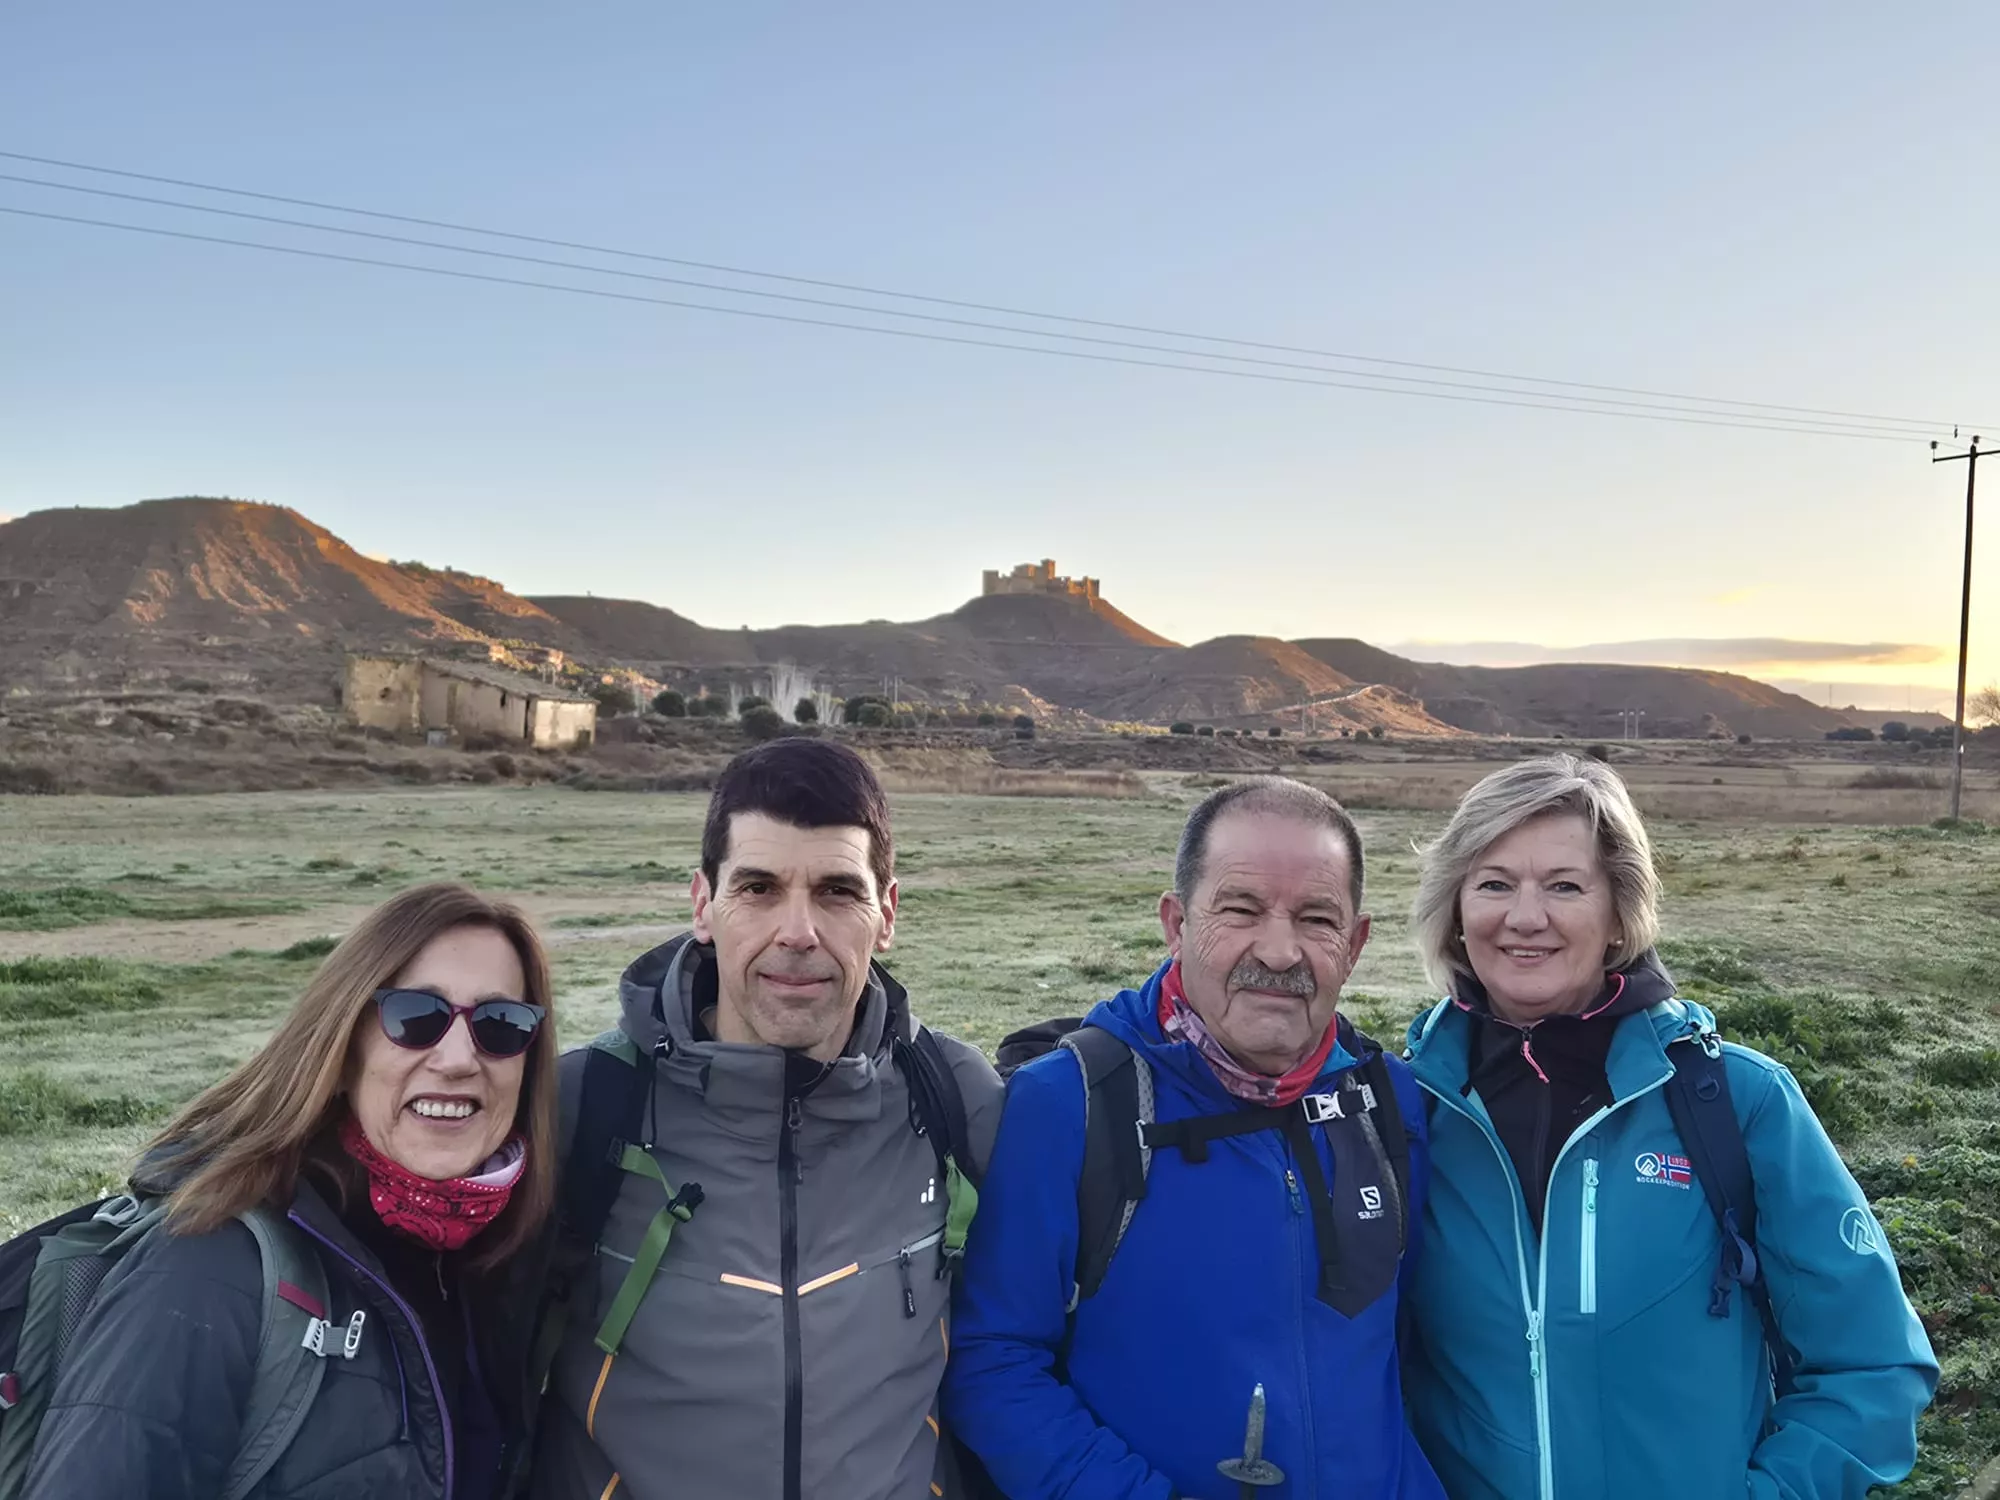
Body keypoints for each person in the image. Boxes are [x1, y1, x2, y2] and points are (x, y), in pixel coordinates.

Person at [1399, 754, 1937, 1499]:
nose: (1524, 917)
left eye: (1564, 886)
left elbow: (1872, 1363)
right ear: (1456, 912)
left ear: (1620, 914)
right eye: (1493, 884)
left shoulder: (1736, 1100)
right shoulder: (1405, 1111)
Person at [943, 777, 1444, 1500]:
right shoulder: (1071, 1102)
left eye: (1317, 919)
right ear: (1176, 923)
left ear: (1355, 943)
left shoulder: (1386, 1100)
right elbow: (994, 1361)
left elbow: (1408, 1344)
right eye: (1240, 909)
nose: (1280, 951)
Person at [531, 738, 1004, 1500]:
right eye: (758, 888)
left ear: (886, 914)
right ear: (703, 905)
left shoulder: (955, 1099)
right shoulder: (582, 1106)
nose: (798, 931)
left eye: (837, 892)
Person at [20, 883, 560, 1500]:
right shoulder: (211, 1266)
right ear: (343, 1047)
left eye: (501, 1025)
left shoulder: (493, 1259)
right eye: (415, 1017)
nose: (459, 1058)